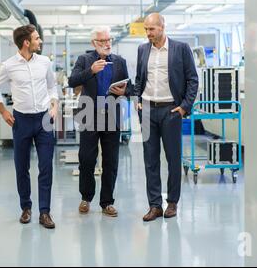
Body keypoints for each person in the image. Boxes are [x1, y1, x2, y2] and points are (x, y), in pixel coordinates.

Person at [0, 24, 58, 229]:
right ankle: (26, 208)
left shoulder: (45, 62)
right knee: (22, 167)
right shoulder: (9, 65)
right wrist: (3, 111)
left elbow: (52, 86)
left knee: (46, 166)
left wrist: (54, 105)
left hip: (44, 119)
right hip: (21, 121)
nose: (40, 41)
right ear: (26, 42)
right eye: (37, 38)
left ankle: (44, 212)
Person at [134, 13, 199, 221]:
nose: (148, 33)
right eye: (146, 29)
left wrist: (184, 107)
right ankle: (155, 205)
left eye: (151, 29)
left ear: (162, 27)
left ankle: (172, 202)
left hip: (171, 110)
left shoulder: (180, 49)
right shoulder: (143, 49)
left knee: (173, 159)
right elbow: (139, 78)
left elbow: (192, 80)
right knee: (150, 160)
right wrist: (137, 98)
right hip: (147, 110)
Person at [68, 26, 132, 217]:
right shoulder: (84, 60)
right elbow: (72, 81)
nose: (107, 44)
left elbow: (129, 87)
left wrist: (125, 92)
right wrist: (91, 71)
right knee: (87, 158)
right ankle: (86, 198)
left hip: (112, 114)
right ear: (94, 43)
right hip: (90, 113)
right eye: (102, 41)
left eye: (109, 40)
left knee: (111, 160)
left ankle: (107, 202)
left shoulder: (119, 62)